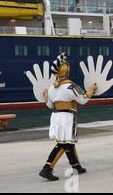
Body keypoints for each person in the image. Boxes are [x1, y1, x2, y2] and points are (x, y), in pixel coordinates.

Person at [39, 53, 97, 181]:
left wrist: (45, 97)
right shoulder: (71, 86)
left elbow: (49, 105)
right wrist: (91, 90)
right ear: (67, 71)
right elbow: (83, 100)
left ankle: (76, 166)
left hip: (56, 116)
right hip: (67, 117)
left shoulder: (51, 88)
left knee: (68, 143)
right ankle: (47, 168)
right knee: (64, 143)